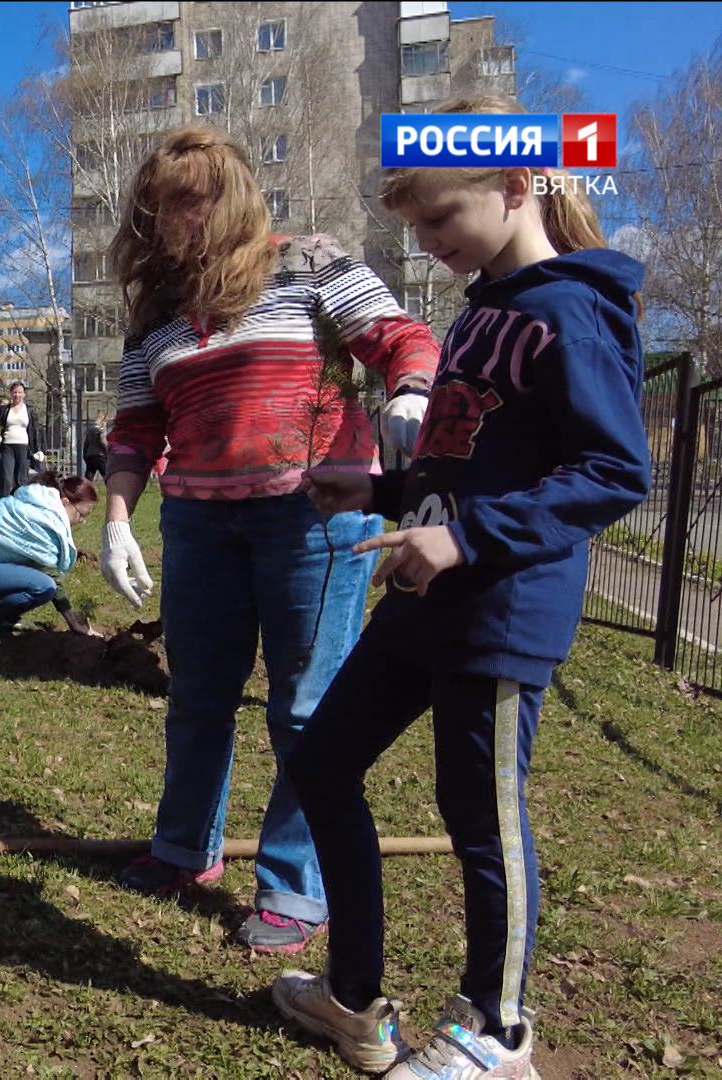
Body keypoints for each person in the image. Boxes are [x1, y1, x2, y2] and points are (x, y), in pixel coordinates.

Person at [271, 97, 650, 1080]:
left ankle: (498, 1030)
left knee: (478, 816)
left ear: (517, 185)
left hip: (500, 610)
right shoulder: (483, 317)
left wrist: (467, 538)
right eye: (417, 228)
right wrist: (387, 487)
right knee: (321, 762)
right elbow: (474, 454)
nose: (431, 243)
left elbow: (613, 470)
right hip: (424, 598)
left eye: (442, 219)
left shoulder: (572, 313)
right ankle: (356, 1002)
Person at [100, 124, 439, 953]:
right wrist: (116, 517)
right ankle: (184, 850)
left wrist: (410, 393)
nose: (172, 223)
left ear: (228, 200)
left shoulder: (310, 264)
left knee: (303, 706)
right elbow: (137, 428)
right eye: (159, 208)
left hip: (313, 515)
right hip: (198, 522)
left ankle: (294, 883)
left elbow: (402, 336)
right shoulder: (156, 320)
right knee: (198, 698)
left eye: (189, 203)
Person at [0, 474, 99, 646]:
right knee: (44, 585)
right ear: (65, 502)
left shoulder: (36, 504)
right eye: (81, 514)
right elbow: (53, 579)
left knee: (33, 574)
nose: (83, 521)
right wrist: (73, 622)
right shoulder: (44, 522)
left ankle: (3, 617)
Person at [0, 381, 44, 498]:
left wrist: (38, 449)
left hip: (24, 447)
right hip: (7, 447)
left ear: (24, 394)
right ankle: (3, 504)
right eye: (15, 392)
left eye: (20, 392)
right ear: (11, 394)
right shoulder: (4, 409)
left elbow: (35, 430)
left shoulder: (30, 410)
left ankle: (19, 502)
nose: (17, 395)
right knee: (6, 478)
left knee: (21, 479)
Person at [82, 413, 109, 481]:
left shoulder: (90, 430)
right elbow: (103, 442)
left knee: (89, 475)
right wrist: (107, 452)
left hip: (90, 455)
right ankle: (111, 489)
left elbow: (86, 444)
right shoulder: (101, 430)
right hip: (100, 456)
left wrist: (85, 455)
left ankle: (85, 488)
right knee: (105, 475)